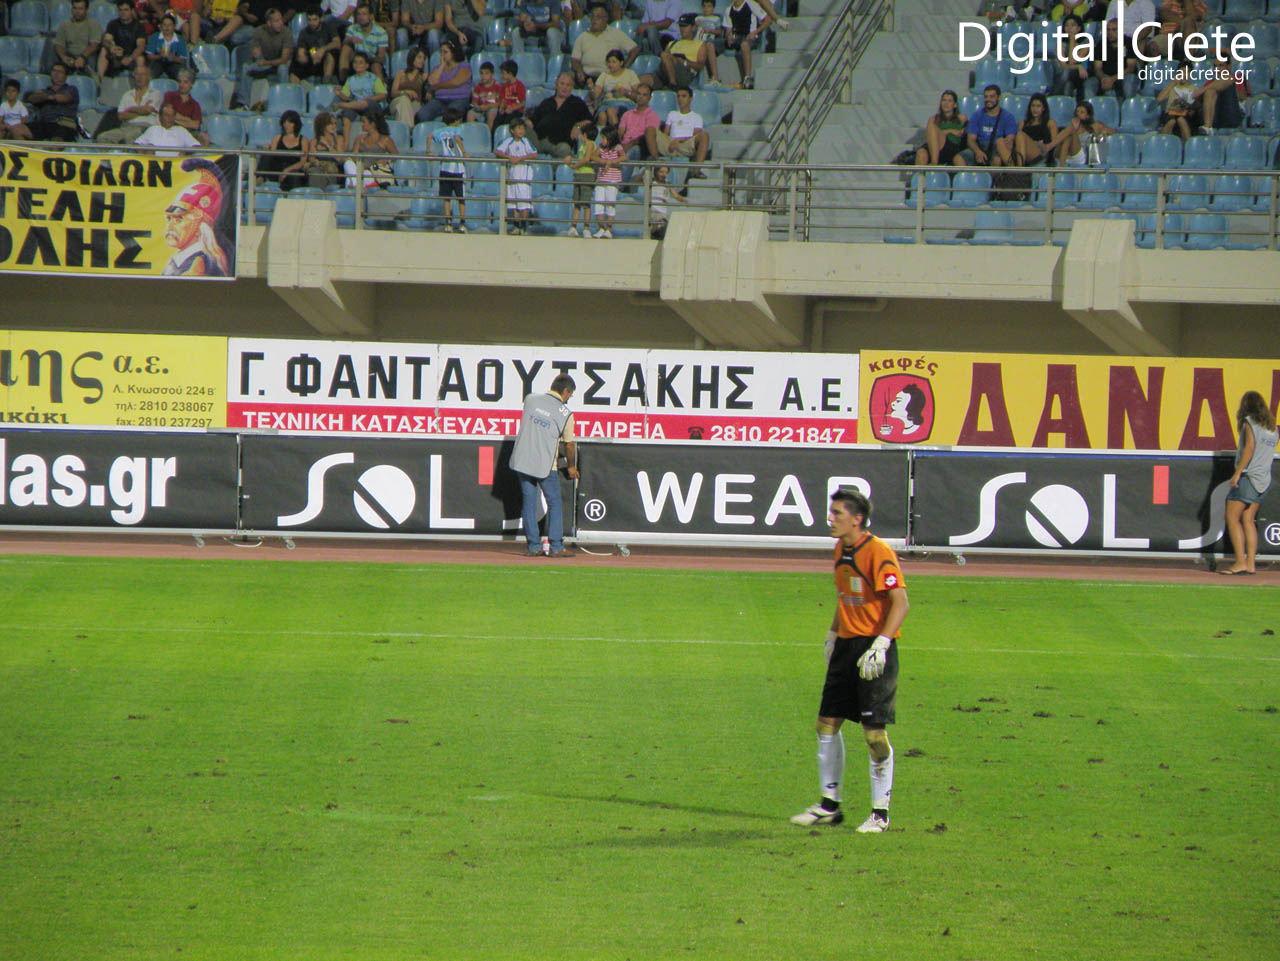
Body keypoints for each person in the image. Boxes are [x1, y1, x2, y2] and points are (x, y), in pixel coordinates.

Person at [791, 488, 908, 834]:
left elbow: (900, 602)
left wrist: (882, 642)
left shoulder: (878, 552)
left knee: (874, 737)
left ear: (857, 519)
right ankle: (829, 806)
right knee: (826, 724)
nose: (830, 519)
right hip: (845, 646)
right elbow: (845, 597)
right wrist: (833, 634)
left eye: (837, 513)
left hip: (874, 650)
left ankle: (880, 814)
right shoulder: (840, 549)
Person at [509, 373, 579, 557]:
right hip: (546, 465)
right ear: (566, 391)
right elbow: (569, 445)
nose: (569, 399)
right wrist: (571, 467)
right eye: (570, 395)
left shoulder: (530, 399)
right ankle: (556, 546)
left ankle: (533, 546)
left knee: (529, 503)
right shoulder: (566, 415)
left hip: (523, 460)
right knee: (554, 503)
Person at [1220, 391, 1278, 576]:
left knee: (1231, 517)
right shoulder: (1272, 429)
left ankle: (1240, 562)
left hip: (1249, 476)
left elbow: (1249, 448)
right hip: (1263, 479)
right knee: (1248, 520)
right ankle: (1251, 563)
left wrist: (1237, 473)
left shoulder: (1249, 422)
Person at [163, 157, 232, 276]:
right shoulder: (179, 260)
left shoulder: (199, 263)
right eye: (169, 219)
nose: (170, 226)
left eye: (179, 219)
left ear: (200, 227)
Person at [570, 3, 638, 88]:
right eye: (593, 16)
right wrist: (579, 71)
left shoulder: (615, 34)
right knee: (566, 77)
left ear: (606, 19)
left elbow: (634, 49)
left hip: (608, 76)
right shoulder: (582, 37)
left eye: (598, 17)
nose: (594, 19)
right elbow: (575, 60)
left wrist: (623, 68)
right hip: (586, 77)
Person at [528, 72, 592, 157]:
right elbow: (532, 120)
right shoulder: (547, 102)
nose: (564, 87)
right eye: (562, 84)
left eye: (568, 85)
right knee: (520, 125)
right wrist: (526, 124)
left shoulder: (577, 103)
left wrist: (578, 126)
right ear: (556, 85)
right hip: (540, 142)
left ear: (572, 88)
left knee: (564, 149)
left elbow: (589, 121)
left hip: (560, 144)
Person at [495, 115, 537, 232]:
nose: (521, 131)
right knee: (514, 203)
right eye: (519, 128)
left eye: (523, 128)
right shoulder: (508, 141)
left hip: (524, 177)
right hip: (512, 176)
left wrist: (520, 158)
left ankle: (524, 226)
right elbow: (497, 151)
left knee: (524, 203)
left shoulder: (526, 141)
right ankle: (516, 225)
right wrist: (509, 157)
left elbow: (534, 154)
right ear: (512, 130)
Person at [333, 50, 387, 140]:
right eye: (355, 62)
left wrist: (370, 98)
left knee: (364, 102)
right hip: (355, 106)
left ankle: (342, 105)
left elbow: (383, 94)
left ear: (367, 65)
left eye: (361, 62)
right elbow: (346, 97)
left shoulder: (373, 78)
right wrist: (339, 94)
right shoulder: (350, 80)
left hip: (371, 106)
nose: (357, 65)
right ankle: (346, 142)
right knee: (347, 114)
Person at [656, 85, 710, 175]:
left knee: (704, 135)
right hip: (670, 143)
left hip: (686, 144)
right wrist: (671, 141)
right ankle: (654, 163)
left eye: (684, 96)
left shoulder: (697, 117)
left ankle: (696, 171)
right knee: (651, 130)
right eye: (678, 96)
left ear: (690, 99)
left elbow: (695, 136)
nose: (680, 99)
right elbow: (666, 134)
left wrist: (679, 140)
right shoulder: (672, 114)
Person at [430, 107, 469, 232]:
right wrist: (464, 153)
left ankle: (448, 223)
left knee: (447, 197)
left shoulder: (440, 131)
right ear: (456, 121)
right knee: (461, 197)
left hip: (445, 168)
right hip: (458, 169)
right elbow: (457, 138)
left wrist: (428, 151)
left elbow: (429, 136)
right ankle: (462, 223)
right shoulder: (457, 130)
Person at [416, 36, 471, 123]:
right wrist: (442, 65)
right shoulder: (438, 68)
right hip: (440, 100)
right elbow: (432, 82)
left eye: (445, 52)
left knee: (450, 116)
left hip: (459, 99)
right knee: (423, 114)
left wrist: (436, 87)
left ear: (453, 53)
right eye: (441, 52)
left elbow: (455, 82)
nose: (442, 55)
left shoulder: (464, 66)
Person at [963, 83, 1016, 167]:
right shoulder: (976, 116)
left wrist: (1000, 155)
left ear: (999, 97)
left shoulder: (1008, 117)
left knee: (997, 161)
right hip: (980, 147)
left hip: (997, 148)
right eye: (986, 97)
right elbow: (971, 140)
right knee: (959, 158)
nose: (988, 99)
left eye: (991, 97)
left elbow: (1009, 141)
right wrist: (978, 152)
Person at [25, 64, 81, 142]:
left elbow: (64, 98)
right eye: (54, 71)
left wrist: (47, 97)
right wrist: (44, 96)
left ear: (65, 76)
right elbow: (31, 99)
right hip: (44, 124)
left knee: (57, 140)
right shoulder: (45, 91)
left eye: (60, 72)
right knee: (17, 130)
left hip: (63, 124)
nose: (56, 74)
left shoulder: (71, 89)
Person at [722, 0, 771, 89]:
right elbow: (728, 29)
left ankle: (748, 78)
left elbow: (767, 20)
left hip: (750, 37)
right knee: (714, 44)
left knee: (744, 45)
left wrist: (755, 32)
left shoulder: (751, 5)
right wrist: (729, 36)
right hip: (737, 37)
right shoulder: (728, 10)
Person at [1052, 100, 1115, 166]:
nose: (1078, 114)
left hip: (1080, 158)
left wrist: (1102, 134)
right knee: (1066, 135)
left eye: (1082, 112)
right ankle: (1060, 165)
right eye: (1077, 111)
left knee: (1070, 134)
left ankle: (1059, 164)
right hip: (1066, 155)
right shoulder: (1072, 127)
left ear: (1088, 116)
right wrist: (1074, 128)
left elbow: (1115, 133)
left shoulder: (1095, 126)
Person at [259, 108, 310, 190]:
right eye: (285, 122)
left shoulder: (303, 140)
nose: (286, 125)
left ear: (296, 124)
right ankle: (260, 178)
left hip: (293, 169)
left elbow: (302, 161)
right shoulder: (277, 138)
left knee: (294, 175)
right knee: (267, 154)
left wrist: (287, 170)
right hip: (277, 169)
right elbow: (271, 157)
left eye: (290, 122)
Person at [562, 120, 597, 236]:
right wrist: (570, 160)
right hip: (578, 175)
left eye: (581, 134)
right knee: (576, 203)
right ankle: (573, 227)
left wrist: (574, 165)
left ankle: (586, 228)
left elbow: (586, 159)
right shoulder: (582, 146)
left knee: (585, 203)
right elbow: (579, 158)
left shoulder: (590, 144)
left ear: (585, 135)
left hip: (587, 175)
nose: (580, 137)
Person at [914, 89, 967, 167]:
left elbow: (963, 133)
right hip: (935, 146)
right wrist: (950, 131)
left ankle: (934, 163)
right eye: (944, 100)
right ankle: (921, 174)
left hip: (951, 146)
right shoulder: (934, 119)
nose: (946, 103)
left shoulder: (961, 118)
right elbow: (931, 135)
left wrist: (945, 132)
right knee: (921, 152)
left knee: (933, 126)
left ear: (955, 105)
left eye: (949, 101)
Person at [99, 0, 148, 79]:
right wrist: (112, 47)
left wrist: (130, 58)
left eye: (126, 10)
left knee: (140, 59)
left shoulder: (139, 26)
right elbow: (106, 41)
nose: (123, 13)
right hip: (117, 56)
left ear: (132, 10)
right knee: (103, 50)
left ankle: (140, 82)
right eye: (120, 10)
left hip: (132, 56)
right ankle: (100, 81)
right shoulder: (113, 24)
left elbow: (141, 47)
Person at [340, 3, 389, 80]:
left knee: (376, 66)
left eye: (364, 14)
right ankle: (343, 81)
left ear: (371, 16)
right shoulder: (352, 28)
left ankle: (380, 87)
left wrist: (365, 59)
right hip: (355, 58)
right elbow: (345, 42)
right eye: (358, 14)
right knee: (346, 48)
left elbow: (381, 57)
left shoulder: (381, 32)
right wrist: (351, 40)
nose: (360, 17)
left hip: (371, 60)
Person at [54, 0, 104, 76]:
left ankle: (90, 77)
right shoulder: (65, 24)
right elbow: (59, 44)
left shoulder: (94, 24)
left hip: (87, 57)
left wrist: (82, 57)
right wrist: (63, 57)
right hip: (70, 56)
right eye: (75, 8)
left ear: (86, 10)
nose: (77, 11)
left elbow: (94, 45)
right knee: (50, 44)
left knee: (92, 58)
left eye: (80, 9)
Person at [592, 48, 639, 127]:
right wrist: (591, 88)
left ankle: (616, 133)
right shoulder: (604, 75)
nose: (610, 64)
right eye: (609, 62)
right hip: (607, 103)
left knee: (611, 111)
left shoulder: (630, 74)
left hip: (625, 104)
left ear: (621, 63)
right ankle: (602, 134)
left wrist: (626, 92)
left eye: (614, 62)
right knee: (602, 115)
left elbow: (638, 96)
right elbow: (596, 95)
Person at [293, 7, 342, 82]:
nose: (311, 23)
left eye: (314, 20)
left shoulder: (328, 27)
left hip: (329, 57)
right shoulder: (304, 32)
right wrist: (312, 52)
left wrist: (322, 50)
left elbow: (337, 43)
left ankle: (326, 82)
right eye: (309, 20)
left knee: (329, 55)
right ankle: (298, 86)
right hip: (312, 58)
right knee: (294, 63)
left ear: (321, 19)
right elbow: (301, 52)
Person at [134, 99, 201, 153]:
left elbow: (196, 146)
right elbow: (136, 145)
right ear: (160, 117)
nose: (170, 118)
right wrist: (144, 154)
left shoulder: (181, 131)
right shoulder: (153, 129)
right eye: (167, 115)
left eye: (172, 116)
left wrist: (185, 152)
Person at [591, 124, 623, 237]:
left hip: (612, 181)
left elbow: (624, 157)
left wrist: (612, 162)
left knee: (610, 204)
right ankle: (601, 228)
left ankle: (608, 229)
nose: (601, 140)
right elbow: (593, 156)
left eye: (603, 138)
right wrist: (604, 161)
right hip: (601, 180)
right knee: (598, 204)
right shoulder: (600, 147)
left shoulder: (618, 147)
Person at [164, 69, 211, 145]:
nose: (181, 85)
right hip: (170, 129)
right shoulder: (169, 96)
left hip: (188, 133)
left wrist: (176, 120)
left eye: (185, 82)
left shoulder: (195, 104)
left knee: (204, 137)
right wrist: (188, 120)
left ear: (191, 84)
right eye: (180, 81)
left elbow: (195, 125)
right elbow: (167, 116)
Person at [1014, 93, 1059, 166]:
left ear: (1043, 108)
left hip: (1042, 153)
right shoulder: (1022, 123)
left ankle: (1020, 169)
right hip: (1026, 153)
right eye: (1033, 106)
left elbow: (1054, 145)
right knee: (1000, 141)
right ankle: (1018, 167)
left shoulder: (1050, 123)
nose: (1035, 109)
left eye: (1038, 106)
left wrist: (1040, 144)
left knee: (1020, 135)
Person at [389, 45, 429, 124]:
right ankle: (409, 128)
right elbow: (393, 93)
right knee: (404, 100)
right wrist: (406, 92)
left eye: (424, 58)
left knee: (404, 110)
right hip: (398, 102)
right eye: (419, 57)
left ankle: (405, 129)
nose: (422, 61)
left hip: (415, 104)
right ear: (412, 58)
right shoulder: (400, 73)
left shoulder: (423, 76)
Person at [1155, 63, 1195, 142]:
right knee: (1171, 121)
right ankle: (1162, 143)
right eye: (1181, 72)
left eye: (1186, 72)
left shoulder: (1194, 89)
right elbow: (1159, 99)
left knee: (1181, 120)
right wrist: (1173, 83)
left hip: (1185, 115)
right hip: (1171, 114)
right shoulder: (1172, 87)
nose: (1183, 75)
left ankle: (1188, 146)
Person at [307, 110, 347, 187]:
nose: (334, 126)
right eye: (330, 124)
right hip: (319, 167)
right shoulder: (314, 141)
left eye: (335, 123)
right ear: (323, 125)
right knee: (315, 172)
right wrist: (315, 162)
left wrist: (328, 146)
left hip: (334, 169)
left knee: (327, 173)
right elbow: (311, 158)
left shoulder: (339, 139)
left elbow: (339, 158)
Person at [647, 163, 687, 239]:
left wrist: (683, 200)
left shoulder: (668, 184)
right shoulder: (652, 182)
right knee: (657, 222)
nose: (664, 174)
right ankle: (653, 233)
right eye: (661, 172)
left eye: (666, 172)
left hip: (662, 211)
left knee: (662, 225)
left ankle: (654, 234)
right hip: (653, 209)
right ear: (656, 172)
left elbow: (676, 195)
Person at [145, 13, 189, 81]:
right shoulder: (154, 36)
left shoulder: (180, 39)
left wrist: (174, 58)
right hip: (158, 62)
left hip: (174, 63)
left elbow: (183, 59)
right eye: (164, 25)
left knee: (181, 74)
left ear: (174, 26)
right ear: (161, 26)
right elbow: (149, 56)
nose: (167, 27)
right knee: (150, 73)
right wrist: (159, 56)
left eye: (169, 25)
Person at [468, 60, 502, 128]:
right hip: (481, 108)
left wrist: (488, 106)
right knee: (470, 114)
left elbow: (499, 103)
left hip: (492, 107)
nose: (483, 76)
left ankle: (488, 133)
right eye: (481, 73)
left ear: (492, 74)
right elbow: (474, 102)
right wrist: (478, 107)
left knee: (491, 114)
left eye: (486, 73)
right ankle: (472, 132)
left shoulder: (498, 86)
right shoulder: (478, 86)